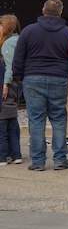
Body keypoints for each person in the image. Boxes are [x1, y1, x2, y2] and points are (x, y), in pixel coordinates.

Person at [12, 0, 68, 171]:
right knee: (58, 119)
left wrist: (19, 76)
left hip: (32, 78)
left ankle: (38, 162)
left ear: (43, 11)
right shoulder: (67, 33)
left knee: (36, 120)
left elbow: (19, 57)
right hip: (58, 78)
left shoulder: (28, 31)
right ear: (60, 13)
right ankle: (60, 159)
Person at [0, 14, 23, 165]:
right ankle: (15, 154)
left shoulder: (8, 43)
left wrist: (5, 84)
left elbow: (10, 67)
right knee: (12, 120)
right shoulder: (19, 40)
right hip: (18, 83)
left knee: (3, 123)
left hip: (10, 84)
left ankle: (4, 155)